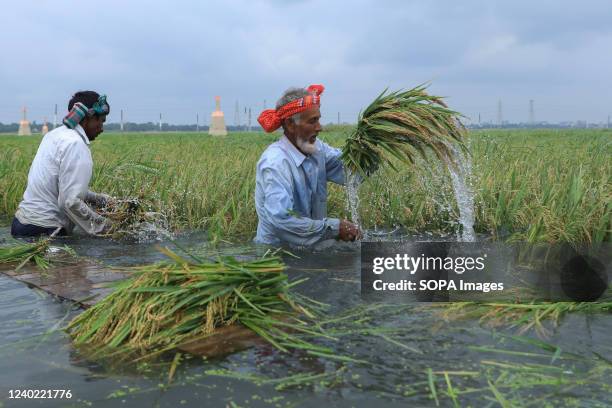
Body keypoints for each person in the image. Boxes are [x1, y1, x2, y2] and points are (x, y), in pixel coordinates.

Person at [254, 84, 360, 246]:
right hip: (277, 256)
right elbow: (281, 221)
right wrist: (334, 228)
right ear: (290, 124)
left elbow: (349, 170)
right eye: (312, 121)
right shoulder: (275, 163)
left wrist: (370, 150)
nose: (319, 127)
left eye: (318, 119)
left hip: (310, 250)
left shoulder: (317, 149)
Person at [11, 91, 115, 238]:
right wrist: (109, 228)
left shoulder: (54, 135)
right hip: (45, 231)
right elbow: (70, 201)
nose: (102, 128)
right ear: (88, 118)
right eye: (101, 121)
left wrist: (100, 199)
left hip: (21, 224)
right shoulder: (76, 144)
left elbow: (62, 188)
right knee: (87, 262)